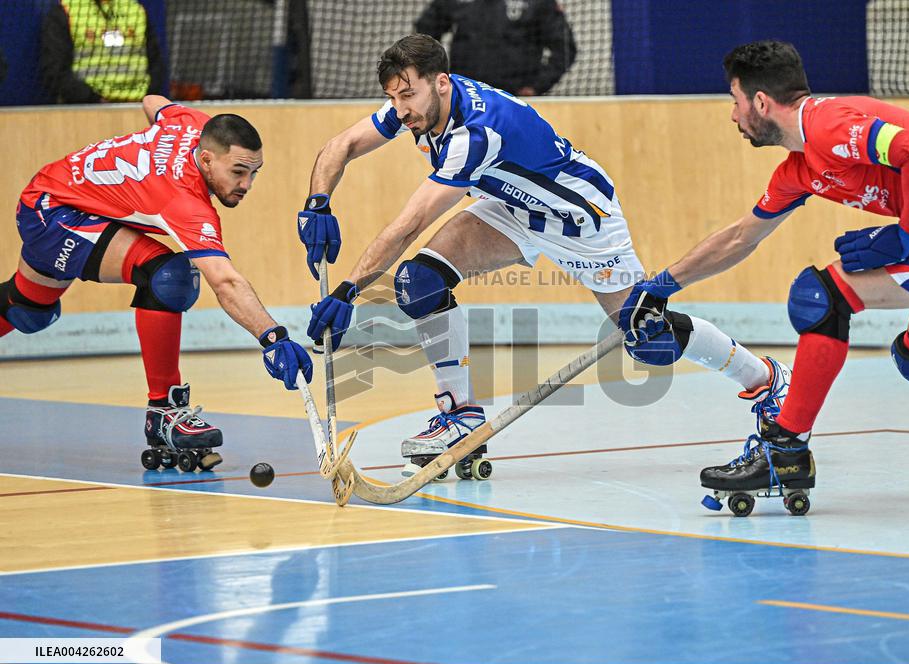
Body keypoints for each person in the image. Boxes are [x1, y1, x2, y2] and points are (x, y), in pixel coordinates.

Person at [298, 34, 790, 479]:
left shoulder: (475, 133)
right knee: (419, 282)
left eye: (408, 95)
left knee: (647, 336)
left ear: (441, 82)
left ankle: (767, 381)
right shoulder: (420, 106)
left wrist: (349, 291)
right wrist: (317, 201)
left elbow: (409, 224)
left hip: (580, 219)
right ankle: (459, 415)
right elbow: (341, 145)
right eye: (392, 97)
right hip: (513, 208)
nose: (400, 109)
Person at [620, 40, 909, 514]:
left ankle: (786, 449)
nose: (733, 116)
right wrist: (658, 287)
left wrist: (908, 234)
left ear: (761, 102)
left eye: (735, 102)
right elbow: (741, 238)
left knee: (822, 297)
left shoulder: (828, 125)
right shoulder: (801, 167)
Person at [1, 94, 313, 472]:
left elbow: (154, 102)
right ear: (206, 158)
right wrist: (273, 337)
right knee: (169, 276)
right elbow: (225, 282)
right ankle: (165, 411)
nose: (247, 184)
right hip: (54, 212)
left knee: (28, 311)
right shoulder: (183, 200)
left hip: (62, 196)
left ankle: (164, 410)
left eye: (254, 172)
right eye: (238, 172)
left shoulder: (191, 125)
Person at [414, 0, 576, 96]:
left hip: (514, 97)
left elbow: (564, 47)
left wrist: (536, 86)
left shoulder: (538, 3)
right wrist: (435, 77)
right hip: (465, 95)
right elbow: (424, 34)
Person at [39, 0, 166, 104]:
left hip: (137, 105)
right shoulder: (66, 11)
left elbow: (156, 63)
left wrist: (147, 96)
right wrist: (92, 98)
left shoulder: (135, 10)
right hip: (86, 108)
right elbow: (55, 70)